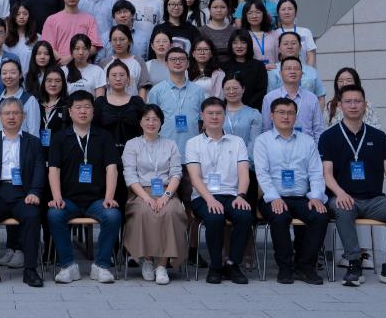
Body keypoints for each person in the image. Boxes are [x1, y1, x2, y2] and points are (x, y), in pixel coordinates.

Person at [318, 85, 386, 288]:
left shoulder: (378, 136)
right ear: (340, 105)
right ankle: (354, 264)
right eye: (348, 101)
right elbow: (326, 173)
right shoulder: (328, 136)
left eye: (358, 101)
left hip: (374, 200)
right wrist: (340, 193)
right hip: (343, 197)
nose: (353, 105)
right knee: (343, 208)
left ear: (365, 105)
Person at [48, 91, 122, 284]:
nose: (83, 111)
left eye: (87, 107)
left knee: (113, 215)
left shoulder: (104, 136)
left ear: (93, 111)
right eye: (78, 107)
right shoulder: (60, 137)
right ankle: (68, 266)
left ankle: (101, 265)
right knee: (54, 214)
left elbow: (112, 169)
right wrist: (57, 197)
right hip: (69, 200)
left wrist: (109, 197)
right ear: (70, 112)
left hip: (96, 200)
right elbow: (53, 170)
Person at [254, 97, 328, 285]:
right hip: (273, 197)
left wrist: (316, 196)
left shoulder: (307, 141)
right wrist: (274, 198)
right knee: (280, 217)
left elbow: (316, 172)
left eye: (290, 113)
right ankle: (285, 268)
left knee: (320, 216)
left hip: (301, 197)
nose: (286, 117)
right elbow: (262, 173)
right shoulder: (263, 141)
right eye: (281, 112)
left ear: (296, 116)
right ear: (272, 116)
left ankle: (305, 267)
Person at [0, 98, 45, 288]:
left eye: (16, 113)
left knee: (32, 216)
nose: (11, 117)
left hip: (24, 193)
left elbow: (39, 169)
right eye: (7, 113)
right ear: (0, 117)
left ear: (23, 116)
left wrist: (35, 192)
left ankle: (30, 270)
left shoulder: (33, 142)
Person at [185, 98, 254, 284]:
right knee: (214, 217)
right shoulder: (193, 143)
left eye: (218, 113)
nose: (214, 117)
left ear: (225, 115)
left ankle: (232, 264)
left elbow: (244, 173)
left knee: (244, 215)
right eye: (210, 113)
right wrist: (210, 199)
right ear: (202, 116)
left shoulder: (237, 142)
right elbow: (195, 178)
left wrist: (241, 195)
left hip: (231, 194)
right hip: (203, 196)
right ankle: (215, 266)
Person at [122, 104, 187, 284]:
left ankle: (162, 265)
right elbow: (130, 175)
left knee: (170, 211)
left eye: (155, 119)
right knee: (145, 211)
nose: (151, 123)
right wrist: (147, 198)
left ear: (161, 123)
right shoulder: (132, 144)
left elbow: (176, 174)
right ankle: (148, 260)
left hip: (167, 190)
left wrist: (166, 196)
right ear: (140, 122)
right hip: (140, 192)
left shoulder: (170, 144)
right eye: (147, 119)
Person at [146, 47, 206, 162]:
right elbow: (151, 122)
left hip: (193, 152)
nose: (178, 62)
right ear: (166, 64)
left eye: (182, 59)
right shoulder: (157, 91)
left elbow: (202, 121)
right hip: (164, 152)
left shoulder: (198, 91)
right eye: (173, 59)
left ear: (188, 63)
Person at [262, 57, 324, 144]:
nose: (292, 71)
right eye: (288, 68)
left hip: (307, 147)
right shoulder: (269, 98)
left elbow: (318, 130)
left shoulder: (312, 98)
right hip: (278, 147)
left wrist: (317, 149)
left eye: (296, 69)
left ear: (302, 74)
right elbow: (266, 128)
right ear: (280, 73)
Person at [41, 0, 103, 65]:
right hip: (59, 66)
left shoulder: (90, 19)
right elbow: (47, 45)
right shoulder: (51, 20)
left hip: (84, 67)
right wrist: (61, 60)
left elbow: (95, 46)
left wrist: (71, 58)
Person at [95, 61, 148, 154]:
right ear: (107, 79)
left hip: (134, 153)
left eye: (122, 75)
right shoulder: (100, 102)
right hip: (105, 153)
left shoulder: (137, 102)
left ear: (128, 79)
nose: (118, 78)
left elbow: (145, 129)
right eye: (114, 75)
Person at [268, 31, 326, 105]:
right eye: (285, 44)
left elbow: (320, 97)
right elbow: (269, 98)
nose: (290, 47)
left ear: (300, 47)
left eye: (293, 43)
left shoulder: (311, 71)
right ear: (279, 48)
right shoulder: (273, 70)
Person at [0, 58, 41, 137]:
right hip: (0, 144)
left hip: (22, 144)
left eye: (13, 72)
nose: (8, 76)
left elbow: (34, 132)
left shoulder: (30, 100)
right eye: (4, 73)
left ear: (20, 75)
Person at [221, 29, 268, 111]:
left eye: (243, 42)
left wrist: (244, 108)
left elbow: (261, 91)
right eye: (235, 43)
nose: (239, 46)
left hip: (252, 110)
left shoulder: (258, 66)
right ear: (231, 45)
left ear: (248, 44)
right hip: (228, 110)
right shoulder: (224, 66)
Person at [97, 25, 149, 98]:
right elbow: (101, 88)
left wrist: (141, 104)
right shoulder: (104, 63)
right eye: (114, 40)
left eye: (122, 39)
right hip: (110, 104)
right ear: (110, 42)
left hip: (133, 104)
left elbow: (142, 87)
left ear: (129, 41)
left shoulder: (139, 61)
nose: (118, 43)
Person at [222, 76, 263, 159]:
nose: (231, 92)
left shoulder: (253, 114)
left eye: (235, 88)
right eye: (227, 89)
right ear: (223, 90)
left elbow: (254, 143)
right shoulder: (216, 113)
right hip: (220, 161)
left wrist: (243, 161)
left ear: (243, 89)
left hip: (246, 161)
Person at [275, 0, 317, 67]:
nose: (286, 12)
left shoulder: (306, 32)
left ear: (296, 12)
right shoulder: (274, 34)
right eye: (283, 9)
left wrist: (308, 71)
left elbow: (311, 55)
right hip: (281, 72)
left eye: (290, 9)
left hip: (303, 71)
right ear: (278, 13)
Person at [200, 0, 237, 65]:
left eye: (223, 7)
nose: (219, 10)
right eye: (215, 7)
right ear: (209, 9)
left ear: (228, 9)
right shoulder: (201, 31)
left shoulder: (234, 31)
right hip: (209, 67)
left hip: (231, 67)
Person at [241, 0, 278, 67]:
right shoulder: (242, 36)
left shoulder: (274, 34)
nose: (254, 16)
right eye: (250, 13)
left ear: (263, 14)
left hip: (274, 71)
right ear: (245, 16)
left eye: (258, 12)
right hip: (253, 72)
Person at [39, 68, 71, 148]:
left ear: (63, 83)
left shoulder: (68, 105)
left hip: (60, 151)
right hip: (38, 151)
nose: (53, 84)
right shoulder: (37, 104)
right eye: (49, 80)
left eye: (57, 81)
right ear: (44, 83)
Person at [3, 3, 38, 71]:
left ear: (29, 16)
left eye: (25, 14)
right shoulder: (5, 39)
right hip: (11, 76)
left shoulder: (37, 38)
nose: (21, 17)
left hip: (30, 76)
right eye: (17, 14)